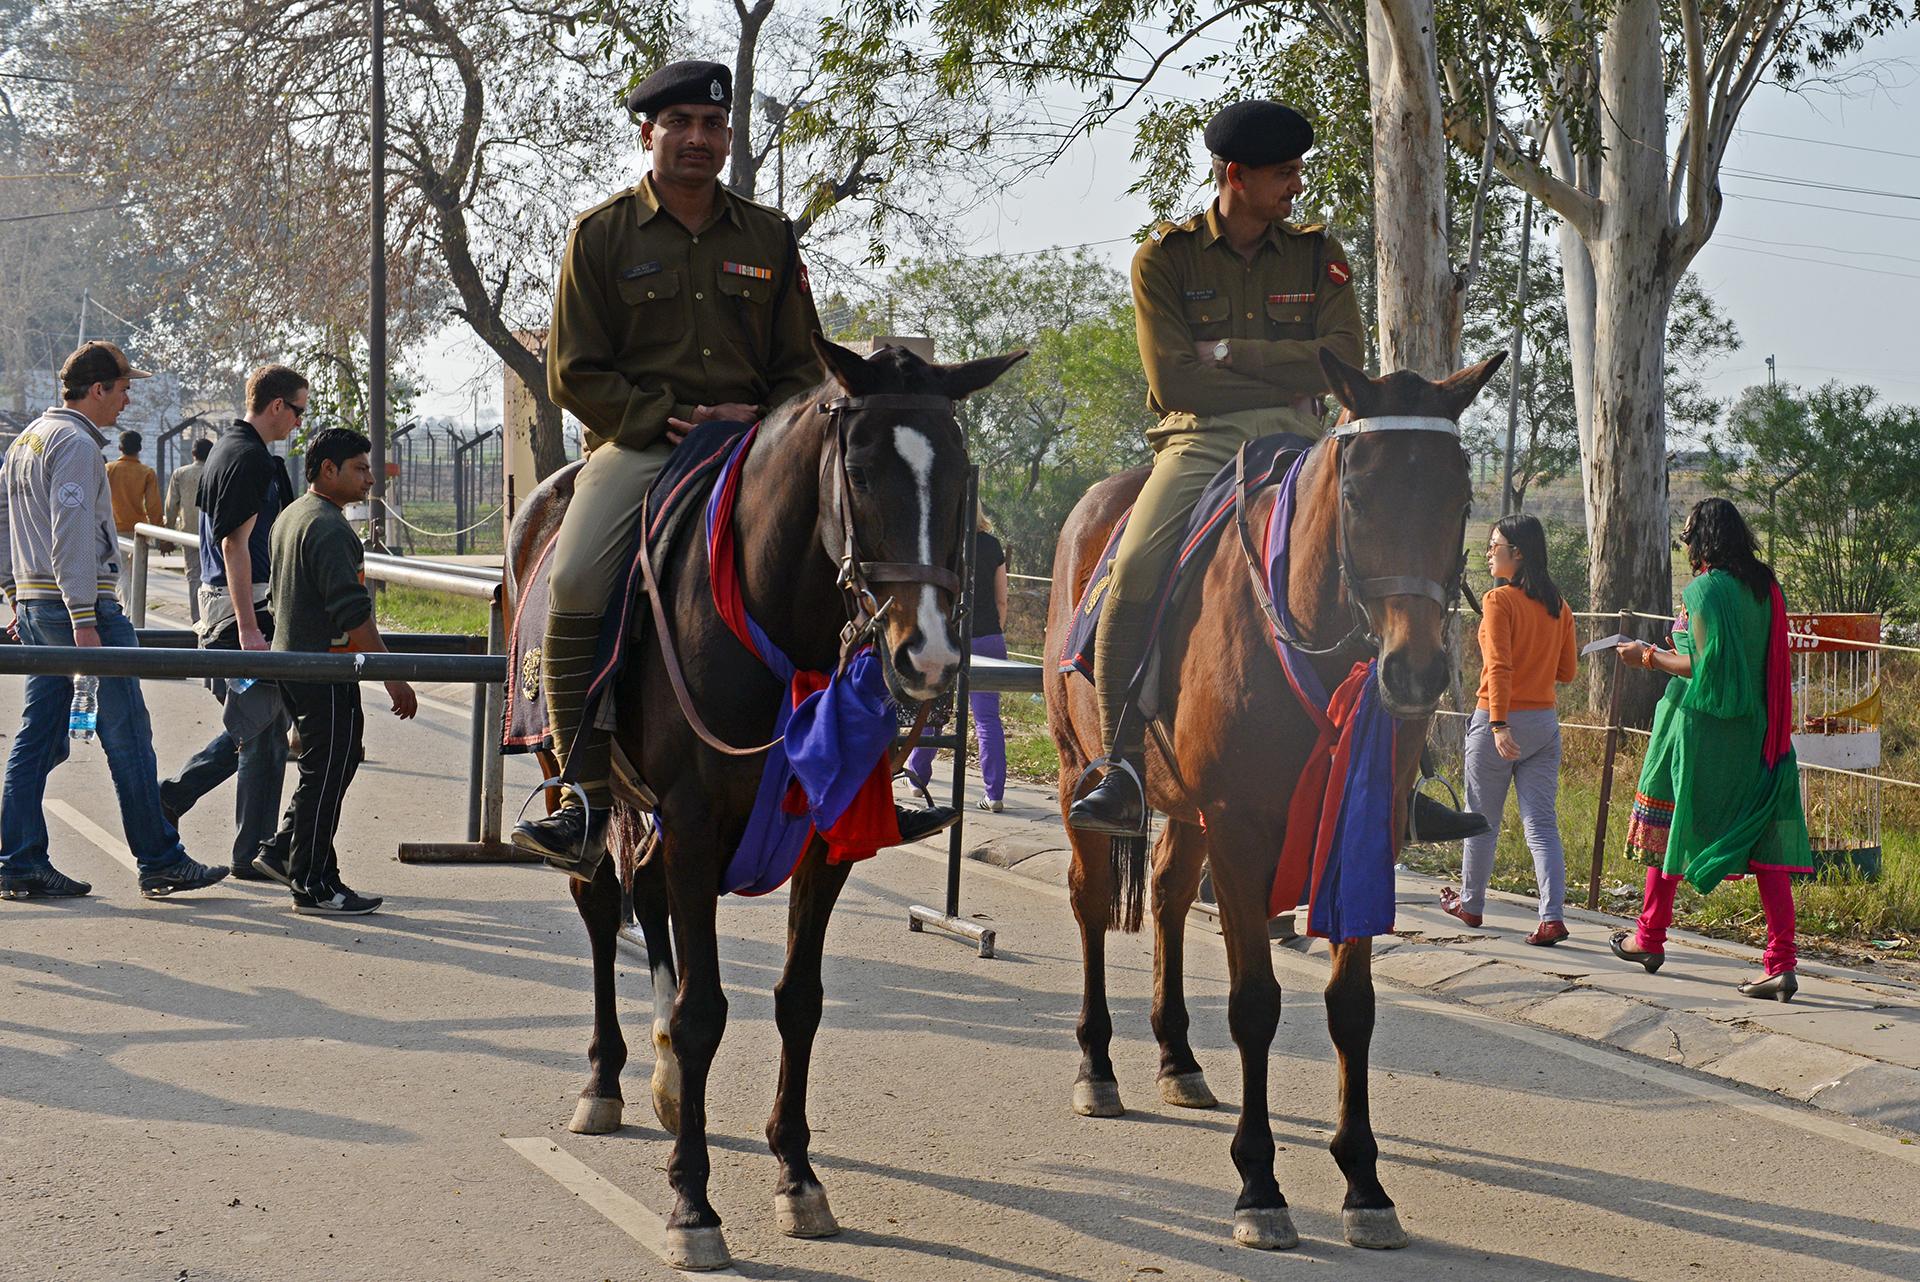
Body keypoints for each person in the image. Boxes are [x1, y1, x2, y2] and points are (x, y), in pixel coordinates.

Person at [513, 58, 954, 875]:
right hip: (642, 447)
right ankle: (582, 791)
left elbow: (802, 362)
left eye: (712, 126)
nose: (697, 138)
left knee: (854, 561)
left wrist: (764, 416)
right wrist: (666, 419)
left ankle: (874, 774)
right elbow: (573, 372)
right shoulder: (601, 234)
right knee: (576, 578)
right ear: (649, 135)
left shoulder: (767, 234)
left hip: (756, 443)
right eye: (679, 124)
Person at [1069, 99, 1483, 844]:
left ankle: (1405, 778)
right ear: (1236, 176)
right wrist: (1284, 373)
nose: (1296, 185)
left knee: (1377, 566)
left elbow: (1341, 365)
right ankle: (1119, 762)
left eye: (1297, 172)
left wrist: (1228, 354)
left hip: (1303, 441)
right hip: (1198, 444)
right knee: (1132, 569)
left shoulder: (1318, 255)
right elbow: (1175, 382)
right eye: (1283, 173)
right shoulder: (1164, 259)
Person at [0, 341, 228, 900]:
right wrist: (84, 620)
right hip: (81, 608)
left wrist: (13, 592)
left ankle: (18, 858)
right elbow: (72, 536)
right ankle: (158, 858)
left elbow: (3, 524)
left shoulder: (26, 441)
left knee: (42, 736)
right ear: (97, 389)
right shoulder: (74, 444)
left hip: (37, 603)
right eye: (123, 389)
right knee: (127, 733)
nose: (127, 402)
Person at [1611, 498, 1811, 1001]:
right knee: (1767, 850)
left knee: (1673, 827)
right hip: (1761, 737)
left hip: (1699, 733)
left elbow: (1705, 669)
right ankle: (1781, 963)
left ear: (1702, 539)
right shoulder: (1766, 588)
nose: (1685, 544)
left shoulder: (1703, 590)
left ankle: (1649, 937)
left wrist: (1649, 656)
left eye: (1687, 535)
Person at [262, 427, 417, 914]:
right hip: (324, 670)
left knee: (329, 766)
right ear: (328, 470)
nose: (370, 479)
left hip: (297, 663)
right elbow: (352, 613)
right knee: (328, 771)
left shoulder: (292, 516)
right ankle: (312, 882)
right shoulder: (328, 527)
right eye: (360, 468)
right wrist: (392, 674)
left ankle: (286, 851)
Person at [158, 366, 302, 882]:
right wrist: (248, 630)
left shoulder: (229, 450)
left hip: (235, 603)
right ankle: (252, 852)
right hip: (244, 607)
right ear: (276, 405)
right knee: (262, 733)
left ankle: (172, 797)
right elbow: (233, 545)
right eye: (298, 410)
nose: (298, 422)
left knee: (258, 723)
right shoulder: (247, 458)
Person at [1440, 515, 1578, 944]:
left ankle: (1471, 903)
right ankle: (1551, 915)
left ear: (1516, 553)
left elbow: (1498, 666)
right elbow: (1568, 671)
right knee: (1541, 824)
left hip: (1498, 720)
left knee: (1481, 819)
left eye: (1495, 544)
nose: (1488, 552)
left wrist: (1498, 723)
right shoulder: (1559, 604)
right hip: (1544, 722)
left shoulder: (1499, 601)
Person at [903, 517, 1011, 812]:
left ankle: (917, 778)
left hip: (944, 636)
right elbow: (1002, 600)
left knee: (930, 711)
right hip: (988, 637)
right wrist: (992, 629)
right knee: (987, 719)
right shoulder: (991, 545)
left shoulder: (941, 542)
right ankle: (995, 793)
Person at [164, 436, 212, 623]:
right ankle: (211, 618)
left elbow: (171, 507)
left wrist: (167, 535)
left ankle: (197, 619)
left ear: (193, 454)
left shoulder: (180, 474)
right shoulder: (215, 471)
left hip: (188, 533)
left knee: (194, 577)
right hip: (212, 534)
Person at [105, 429, 162, 536]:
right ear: (140, 448)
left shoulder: (108, 469)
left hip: (111, 528)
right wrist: (162, 537)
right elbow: (153, 506)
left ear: (120, 448)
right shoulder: (147, 472)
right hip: (138, 530)